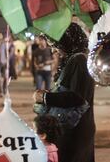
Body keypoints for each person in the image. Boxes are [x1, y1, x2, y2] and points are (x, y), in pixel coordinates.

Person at [33, 23, 95, 162]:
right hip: (75, 127)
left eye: (56, 45)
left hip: (76, 130)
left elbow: (76, 97)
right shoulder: (74, 60)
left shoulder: (79, 60)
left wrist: (45, 97)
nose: (55, 50)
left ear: (66, 41)